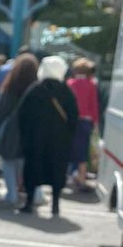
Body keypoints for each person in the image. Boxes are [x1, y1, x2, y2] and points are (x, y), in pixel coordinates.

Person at [17, 55, 78, 217]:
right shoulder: (66, 92)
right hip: (59, 143)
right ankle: (55, 205)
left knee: (32, 170)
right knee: (56, 172)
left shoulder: (34, 90)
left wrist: (25, 138)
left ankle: (29, 202)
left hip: (35, 141)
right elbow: (74, 117)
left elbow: (21, 116)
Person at [0, 52, 38, 205]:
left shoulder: (9, 87)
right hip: (30, 132)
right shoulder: (37, 89)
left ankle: (12, 194)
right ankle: (34, 194)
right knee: (26, 164)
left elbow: (0, 112)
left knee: (8, 162)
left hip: (11, 132)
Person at [67, 57, 100, 191]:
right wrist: (96, 122)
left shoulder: (70, 83)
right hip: (86, 121)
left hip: (71, 120)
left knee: (68, 147)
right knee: (83, 150)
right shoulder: (91, 84)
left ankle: (66, 176)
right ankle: (81, 178)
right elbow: (94, 104)